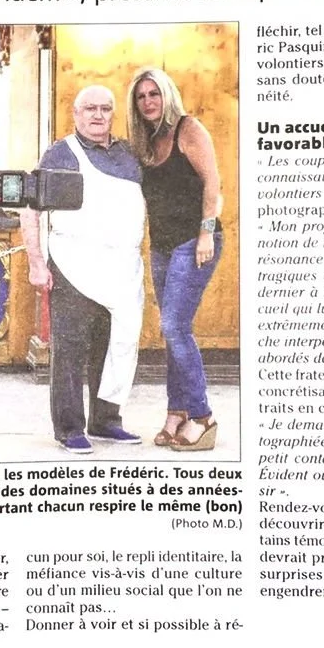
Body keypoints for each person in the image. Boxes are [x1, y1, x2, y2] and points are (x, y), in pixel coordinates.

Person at [21, 85, 146, 453]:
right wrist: (36, 264)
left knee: (117, 347)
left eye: (105, 109)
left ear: (113, 114)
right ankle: (69, 428)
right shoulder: (61, 153)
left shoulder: (129, 155)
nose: (97, 115)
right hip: (73, 265)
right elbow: (31, 209)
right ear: (76, 114)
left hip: (123, 268)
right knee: (70, 349)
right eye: (89, 108)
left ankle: (107, 421)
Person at [126, 67, 223, 452]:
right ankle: (176, 412)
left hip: (194, 242)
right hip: (161, 245)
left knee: (174, 326)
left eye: (154, 94)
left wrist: (205, 233)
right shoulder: (145, 141)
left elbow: (213, 185)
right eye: (141, 96)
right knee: (172, 331)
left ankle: (202, 416)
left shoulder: (189, 129)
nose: (148, 101)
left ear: (167, 95)